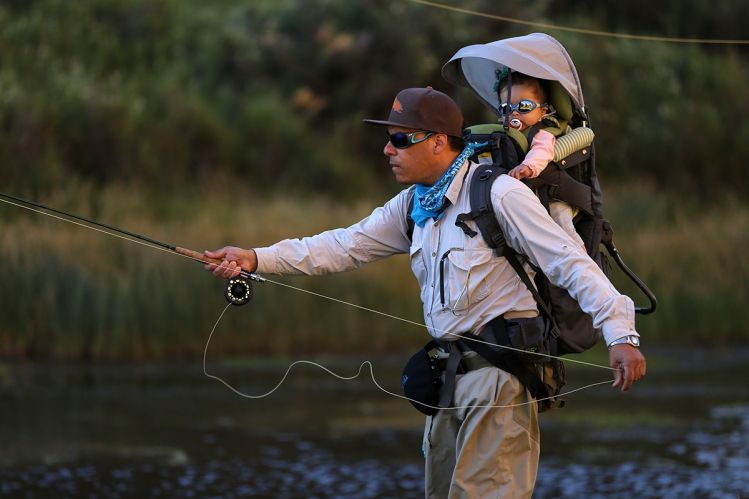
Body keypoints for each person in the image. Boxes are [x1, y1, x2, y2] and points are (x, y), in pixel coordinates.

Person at [203, 87, 646, 498]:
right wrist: (254, 258)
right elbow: (343, 246)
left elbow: (568, 262)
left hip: (501, 379)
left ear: (438, 142)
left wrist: (620, 334)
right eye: (388, 138)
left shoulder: (500, 194)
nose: (387, 149)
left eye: (399, 138)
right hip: (447, 380)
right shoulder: (414, 204)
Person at [500, 71, 585, 249]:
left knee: (562, 225)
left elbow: (541, 152)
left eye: (523, 106)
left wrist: (527, 166)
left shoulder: (542, 132)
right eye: (507, 108)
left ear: (542, 111)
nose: (514, 113)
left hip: (552, 197)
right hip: (525, 199)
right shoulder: (505, 135)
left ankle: (581, 257)